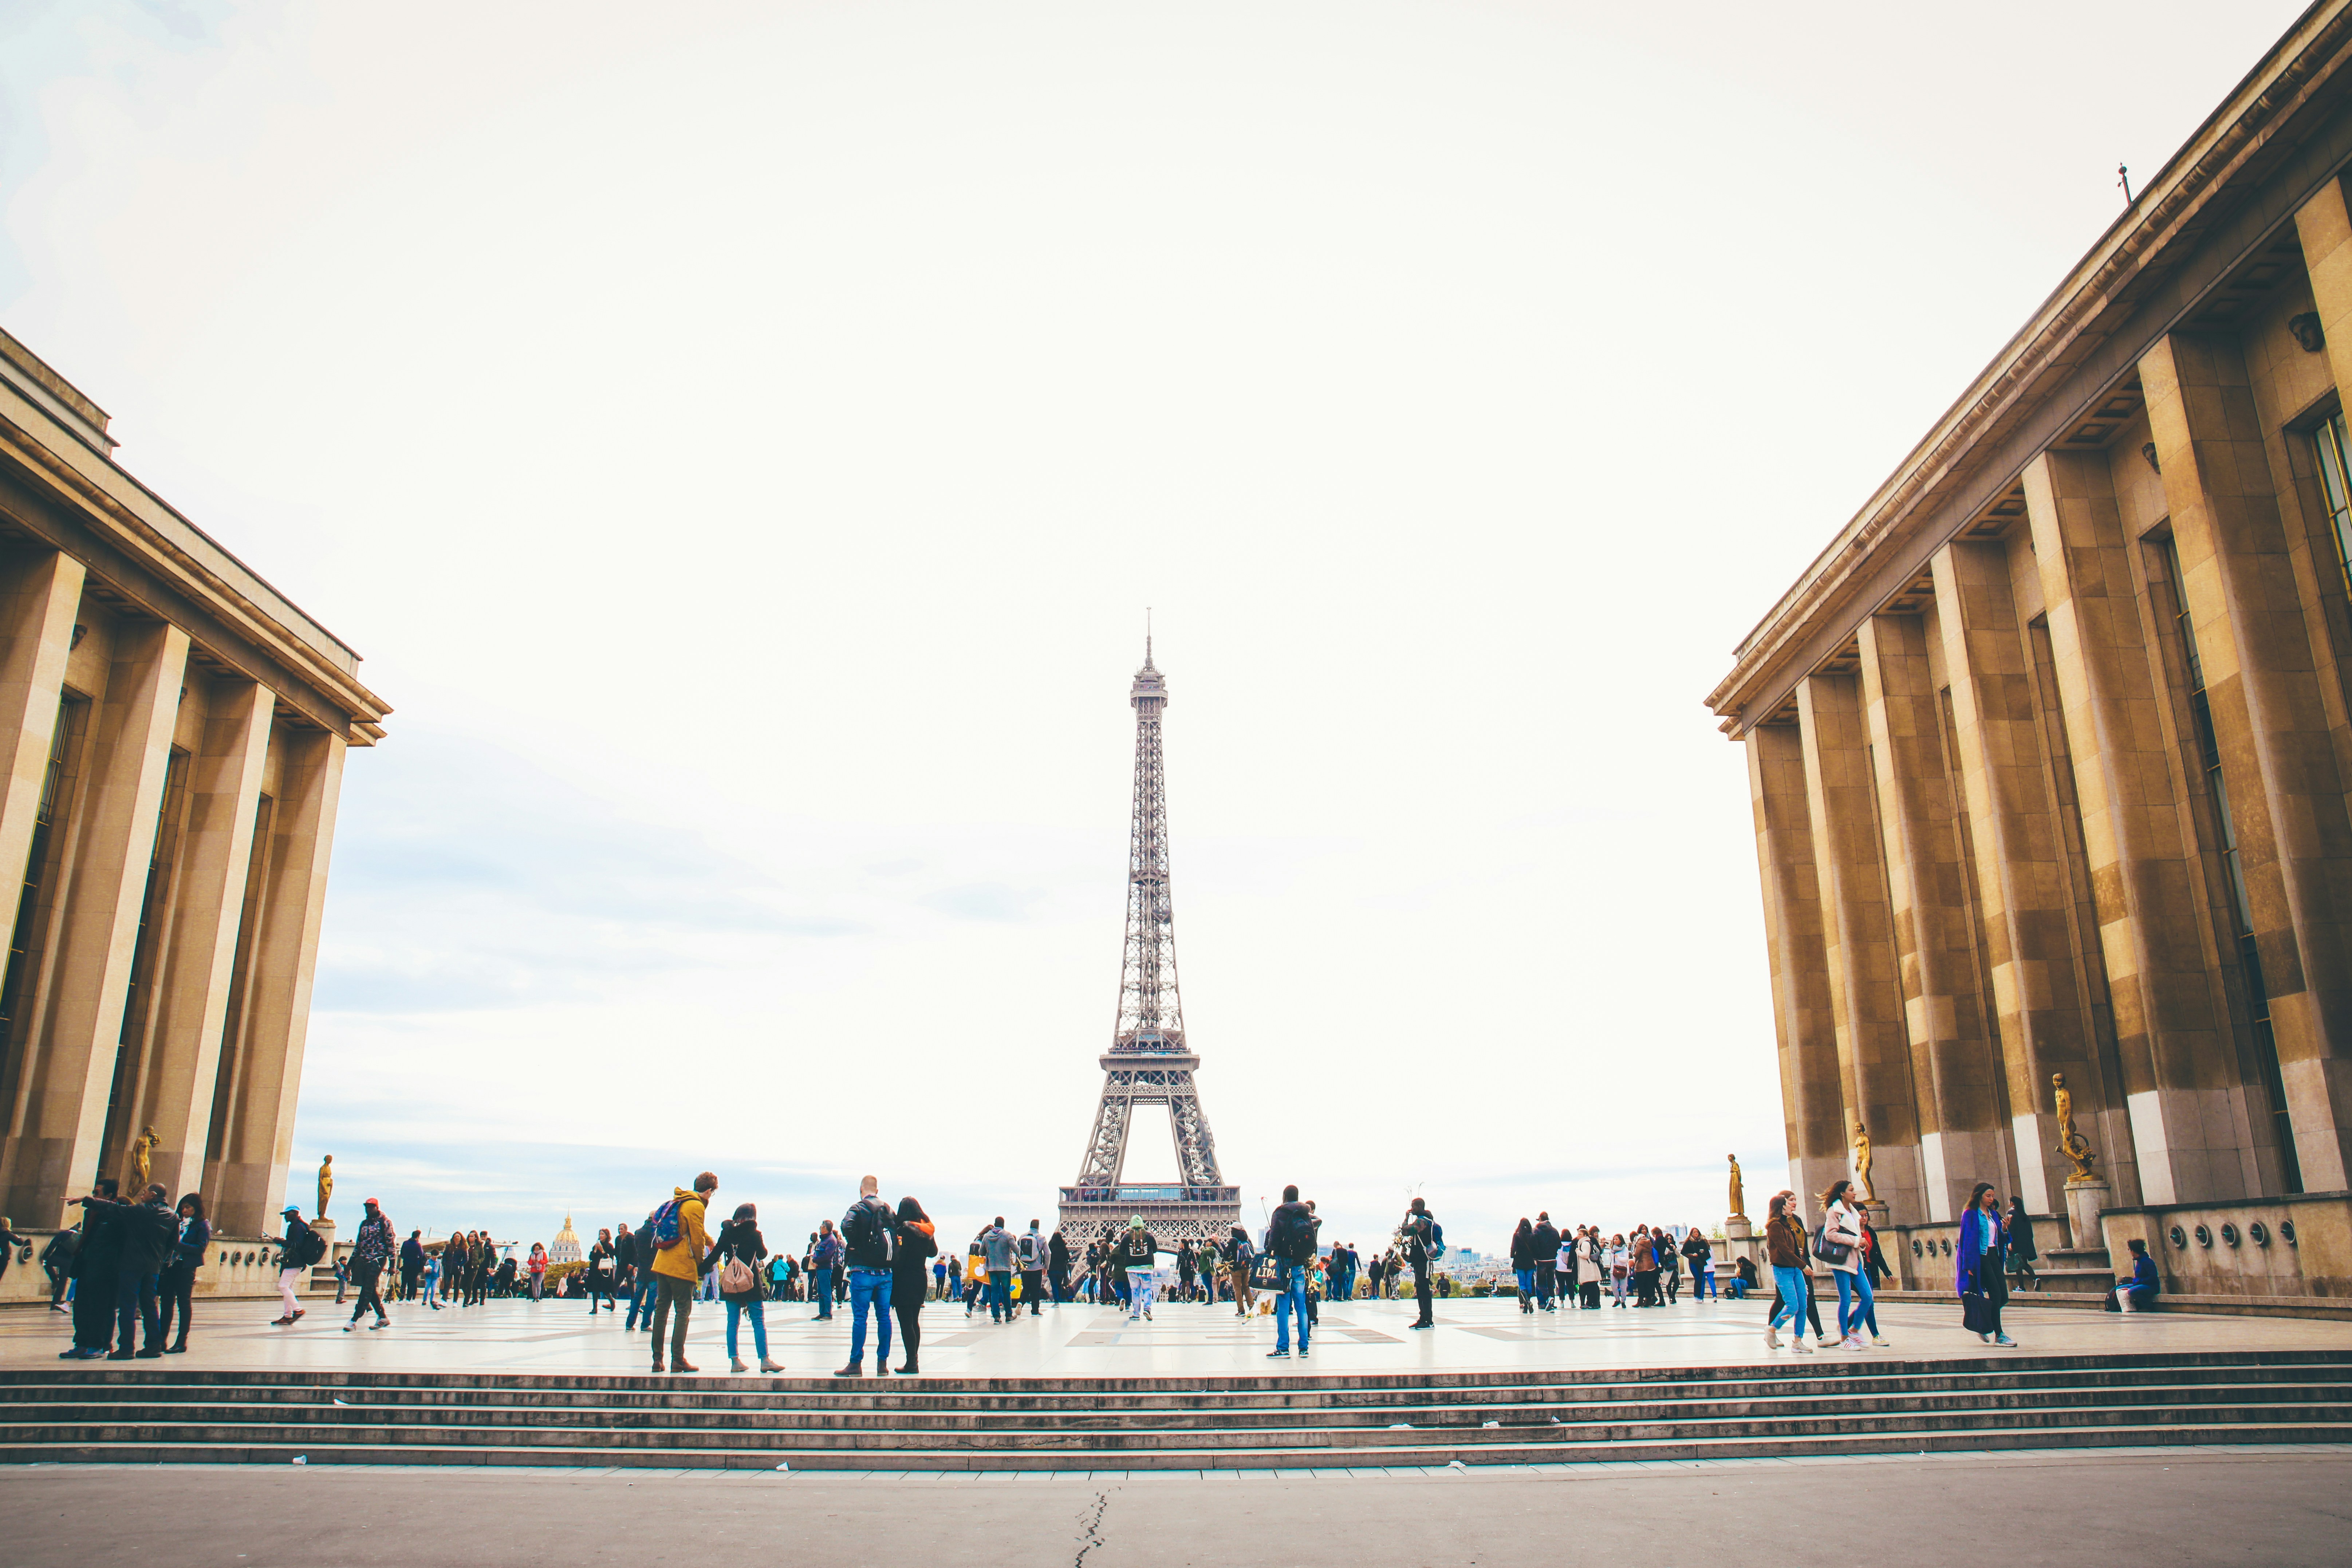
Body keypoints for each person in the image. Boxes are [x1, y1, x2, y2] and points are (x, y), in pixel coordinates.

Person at [650, 1172, 717, 1374]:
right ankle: (678, 1359)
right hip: (681, 1266)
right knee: (682, 1313)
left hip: (663, 1263)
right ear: (708, 1191)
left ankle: (657, 1360)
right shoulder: (696, 1206)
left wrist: (710, 1240)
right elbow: (696, 1239)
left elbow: (691, 1229)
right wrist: (701, 1265)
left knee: (661, 1312)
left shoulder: (681, 1200)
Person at [836, 1174, 899, 1377]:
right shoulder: (888, 1210)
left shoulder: (858, 1208)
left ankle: (855, 1364)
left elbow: (846, 1226)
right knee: (884, 1317)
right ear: (877, 1191)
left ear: (861, 1189)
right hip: (885, 1273)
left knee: (860, 1318)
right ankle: (882, 1364)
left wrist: (857, 1243)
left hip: (862, 1270)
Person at [102, 1183, 176, 1359]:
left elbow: (114, 1208)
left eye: (144, 1194)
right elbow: (173, 1244)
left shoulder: (141, 1210)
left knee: (128, 1306)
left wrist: (86, 1200)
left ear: (153, 1194)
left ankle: (127, 1347)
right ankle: (153, 1346)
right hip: (153, 1268)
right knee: (149, 1306)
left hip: (132, 1264)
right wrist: (160, 1259)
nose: (142, 1197)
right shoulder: (173, 1216)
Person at [710, 1202, 781, 1374]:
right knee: (758, 1321)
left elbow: (715, 1255)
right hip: (751, 1284)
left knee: (732, 1323)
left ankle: (735, 1361)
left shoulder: (727, 1234)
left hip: (731, 1284)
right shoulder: (754, 1234)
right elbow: (763, 1254)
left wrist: (699, 1271)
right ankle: (765, 1360)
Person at [1955, 1180, 2015, 1346]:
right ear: (1979, 1196)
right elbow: (1966, 1240)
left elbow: (2000, 1239)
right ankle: (2000, 1335)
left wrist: (2005, 1229)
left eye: (1993, 1196)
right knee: (1995, 1294)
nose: (1991, 1199)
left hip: (1993, 1256)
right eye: (1988, 1196)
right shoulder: (1971, 1214)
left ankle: (1983, 1324)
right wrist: (1968, 1266)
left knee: (2003, 1296)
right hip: (1980, 1258)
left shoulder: (1994, 1214)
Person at [1818, 1181, 1871, 1351]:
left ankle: (1854, 1330)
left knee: (1868, 1297)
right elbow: (1830, 1234)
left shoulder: (1852, 1212)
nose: (1854, 1193)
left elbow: (1854, 1235)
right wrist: (1856, 1241)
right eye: (1851, 1190)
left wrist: (1861, 1243)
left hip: (1855, 1261)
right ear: (1842, 1193)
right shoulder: (1835, 1212)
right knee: (1846, 1299)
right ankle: (1844, 1339)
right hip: (1840, 1261)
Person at [1266, 1184, 1317, 1359]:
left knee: (1283, 1306)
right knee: (1301, 1306)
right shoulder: (1305, 1212)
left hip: (1284, 1265)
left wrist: (1270, 1250)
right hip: (1300, 1264)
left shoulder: (1280, 1213)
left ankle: (1283, 1348)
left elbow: (1273, 1241)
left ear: (1284, 1196)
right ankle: (1304, 1348)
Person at [155, 1193, 210, 1354]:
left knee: (184, 1303)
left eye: (188, 1208)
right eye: (183, 1207)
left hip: (186, 1267)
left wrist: (179, 1245)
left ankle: (181, 1341)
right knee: (166, 1303)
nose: (185, 1211)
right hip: (169, 1266)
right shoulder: (177, 1222)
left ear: (196, 1208)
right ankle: (161, 1340)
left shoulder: (202, 1225)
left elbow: (200, 1249)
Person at [1763, 1191, 1814, 1353]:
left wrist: (1797, 1253)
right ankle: (1771, 1329)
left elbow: (1789, 1247)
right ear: (1781, 1207)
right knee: (1792, 1305)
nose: (1792, 1205)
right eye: (1788, 1203)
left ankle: (1798, 1342)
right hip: (1783, 1270)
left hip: (1794, 1270)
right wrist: (1804, 1265)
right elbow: (1783, 1250)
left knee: (1803, 1306)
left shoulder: (1787, 1224)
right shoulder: (1775, 1226)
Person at [891, 1196, 937, 1375]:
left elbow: (900, 1259)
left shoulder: (904, 1229)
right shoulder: (926, 1230)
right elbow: (933, 1252)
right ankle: (914, 1359)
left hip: (904, 1279)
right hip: (920, 1278)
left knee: (905, 1323)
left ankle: (912, 1362)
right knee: (914, 1322)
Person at [343, 1197, 394, 1332]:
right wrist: (350, 1264)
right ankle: (383, 1317)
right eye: (367, 1207)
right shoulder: (364, 1224)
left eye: (371, 1207)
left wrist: (393, 1263)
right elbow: (359, 1244)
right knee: (370, 1289)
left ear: (377, 1208)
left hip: (378, 1259)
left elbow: (391, 1243)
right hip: (364, 1259)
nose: (369, 1209)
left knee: (366, 1289)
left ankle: (354, 1320)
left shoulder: (385, 1222)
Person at [273, 1202, 316, 1328]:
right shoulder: (300, 1226)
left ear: (295, 1214)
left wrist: (282, 1242)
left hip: (295, 1261)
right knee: (288, 1288)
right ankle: (287, 1316)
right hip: (297, 1262)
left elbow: (297, 1244)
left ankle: (298, 1310)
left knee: (283, 1286)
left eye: (287, 1214)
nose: (286, 1217)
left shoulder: (297, 1227)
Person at [1111, 1216, 1165, 1321]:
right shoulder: (1149, 1235)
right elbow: (1155, 1249)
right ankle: (1147, 1309)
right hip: (1147, 1268)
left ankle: (1136, 1313)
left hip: (1132, 1269)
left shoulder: (1127, 1236)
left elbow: (1122, 1251)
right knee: (1148, 1289)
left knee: (1135, 1291)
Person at [1401, 1198, 1439, 1329]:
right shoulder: (1425, 1220)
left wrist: (1406, 1218)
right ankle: (1423, 1318)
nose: (1412, 1209)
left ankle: (1428, 1320)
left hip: (1424, 1261)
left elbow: (1405, 1231)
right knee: (1421, 1291)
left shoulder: (1422, 1221)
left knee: (1424, 1291)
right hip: (1420, 1261)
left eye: (1413, 1207)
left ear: (1419, 1207)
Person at [978, 1217, 1016, 1325]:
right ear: (1003, 1225)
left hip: (992, 1268)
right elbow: (1017, 1249)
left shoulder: (987, 1236)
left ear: (995, 1224)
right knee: (1006, 1292)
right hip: (1004, 1268)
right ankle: (1009, 1315)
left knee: (994, 1292)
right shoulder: (1008, 1236)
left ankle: (996, 1317)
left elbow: (981, 1252)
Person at [626, 1214, 660, 1331]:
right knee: (651, 1298)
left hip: (642, 1270)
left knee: (637, 1297)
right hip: (654, 1271)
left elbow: (637, 1251)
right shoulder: (658, 1233)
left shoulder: (638, 1232)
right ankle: (645, 1324)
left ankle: (630, 1324)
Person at [808, 1219, 842, 1321]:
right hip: (820, 1268)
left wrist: (815, 1260)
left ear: (826, 1229)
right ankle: (822, 1312)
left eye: (822, 1227)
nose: (820, 1228)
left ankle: (828, 1313)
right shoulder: (824, 1240)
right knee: (821, 1291)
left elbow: (827, 1255)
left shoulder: (831, 1240)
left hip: (825, 1268)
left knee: (826, 1290)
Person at [2114, 1237, 2159, 1311]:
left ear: (2133, 1250)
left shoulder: (2147, 1261)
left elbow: (2153, 1278)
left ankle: (2148, 1306)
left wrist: (2139, 1281)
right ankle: (2129, 1307)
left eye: (2129, 1250)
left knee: (2132, 1291)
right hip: (2139, 1284)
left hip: (2151, 1286)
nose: (2129, 1251)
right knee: (2119, 1289)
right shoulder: (2139, 1261)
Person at [2006, 1197, 2040, 1291]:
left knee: (2018, 1265)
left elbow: (2010, 1228)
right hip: (2026, 1242)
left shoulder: (2011, 1214)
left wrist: (2010, 1242)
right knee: (2024, 1263)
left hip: (2016, 1242)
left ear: (2012, 1203)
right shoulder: (2023, 1214)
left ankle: (2022, 1286)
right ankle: (2035, 1278)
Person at [1222, 1224, 1256, 1317]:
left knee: (1237, 1289)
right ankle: (1252, 1306)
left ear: (1234, 1230)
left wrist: (1229, 1261)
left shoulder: (1234, 1241)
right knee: (1246, 1287)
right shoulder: (1246, 1239)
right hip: (1246, 1267)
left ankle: (1241, 1310)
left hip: (1236, 1268)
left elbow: (1225, 1253)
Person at [1018, 1219, 1047, 1316]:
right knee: (1036, 1289)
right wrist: (1045, 1267)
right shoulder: (1041, 1238)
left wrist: (1020, 1263)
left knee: (1026, 1288)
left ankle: (1021, 1303)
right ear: (1038, 1227)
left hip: (1025, 1267)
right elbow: (1048, 1253)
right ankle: (1035, 1311)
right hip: (1037, 1268)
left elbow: (1018, 1250)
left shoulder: (1022, 1237)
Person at [1509, 1218, 1537, 1314]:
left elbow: (1513, 1250)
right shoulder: (1533, 1236)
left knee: (1522, 1284)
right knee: (1529, 1283)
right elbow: (1536, 1250)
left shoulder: (1517, 1236)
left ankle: (1527, 1303)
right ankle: (1527, 1305)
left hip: (1520, 1262)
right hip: (1530, 1262)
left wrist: (1513, 1256)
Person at [1682, 1229, 1715, 1301]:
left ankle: (1700, 1296)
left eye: (1697, 1232)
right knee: (1697, 1278)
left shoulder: (1702, 1242)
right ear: (1692, 1234)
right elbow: (1684, 1252)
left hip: (1701, 1263)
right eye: (1695, 1232)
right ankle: (1696, 1296)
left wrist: (1702, 1253)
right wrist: (1692, 1255)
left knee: (1700, 1279)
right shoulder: (1689, 1242)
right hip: (1693, 1262)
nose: (1696, 1234)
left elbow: (1707, 1252)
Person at [1048, 1227, 1071, 1306]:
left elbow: (1047, 1256)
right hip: (1061, 1269)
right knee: (1059, 1285)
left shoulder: (1050, 1246)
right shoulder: (1063, 1247)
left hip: (1052, 1268)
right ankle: (1059, 1300)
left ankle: (1056, 1300)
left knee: (1054, 1285)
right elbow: (1068, 1258)